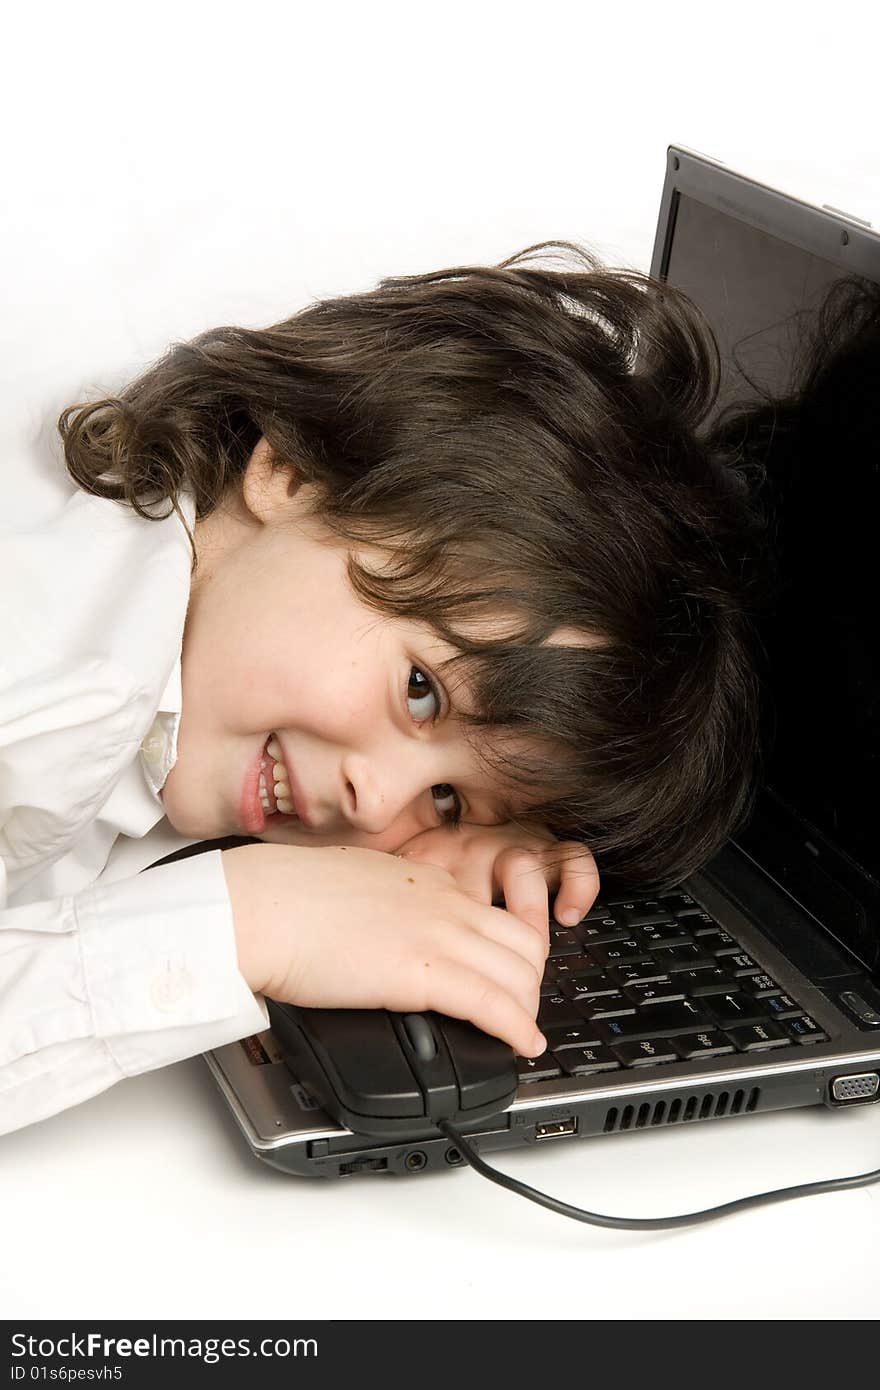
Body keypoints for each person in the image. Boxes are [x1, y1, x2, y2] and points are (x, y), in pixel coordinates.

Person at [0, 242, 765, 1136]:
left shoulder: (168, 629)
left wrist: (390, 878)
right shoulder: (52, 675)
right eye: (421, 691)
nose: (376, 800)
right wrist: (250, 924)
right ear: (292, 472)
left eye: (447, 798)